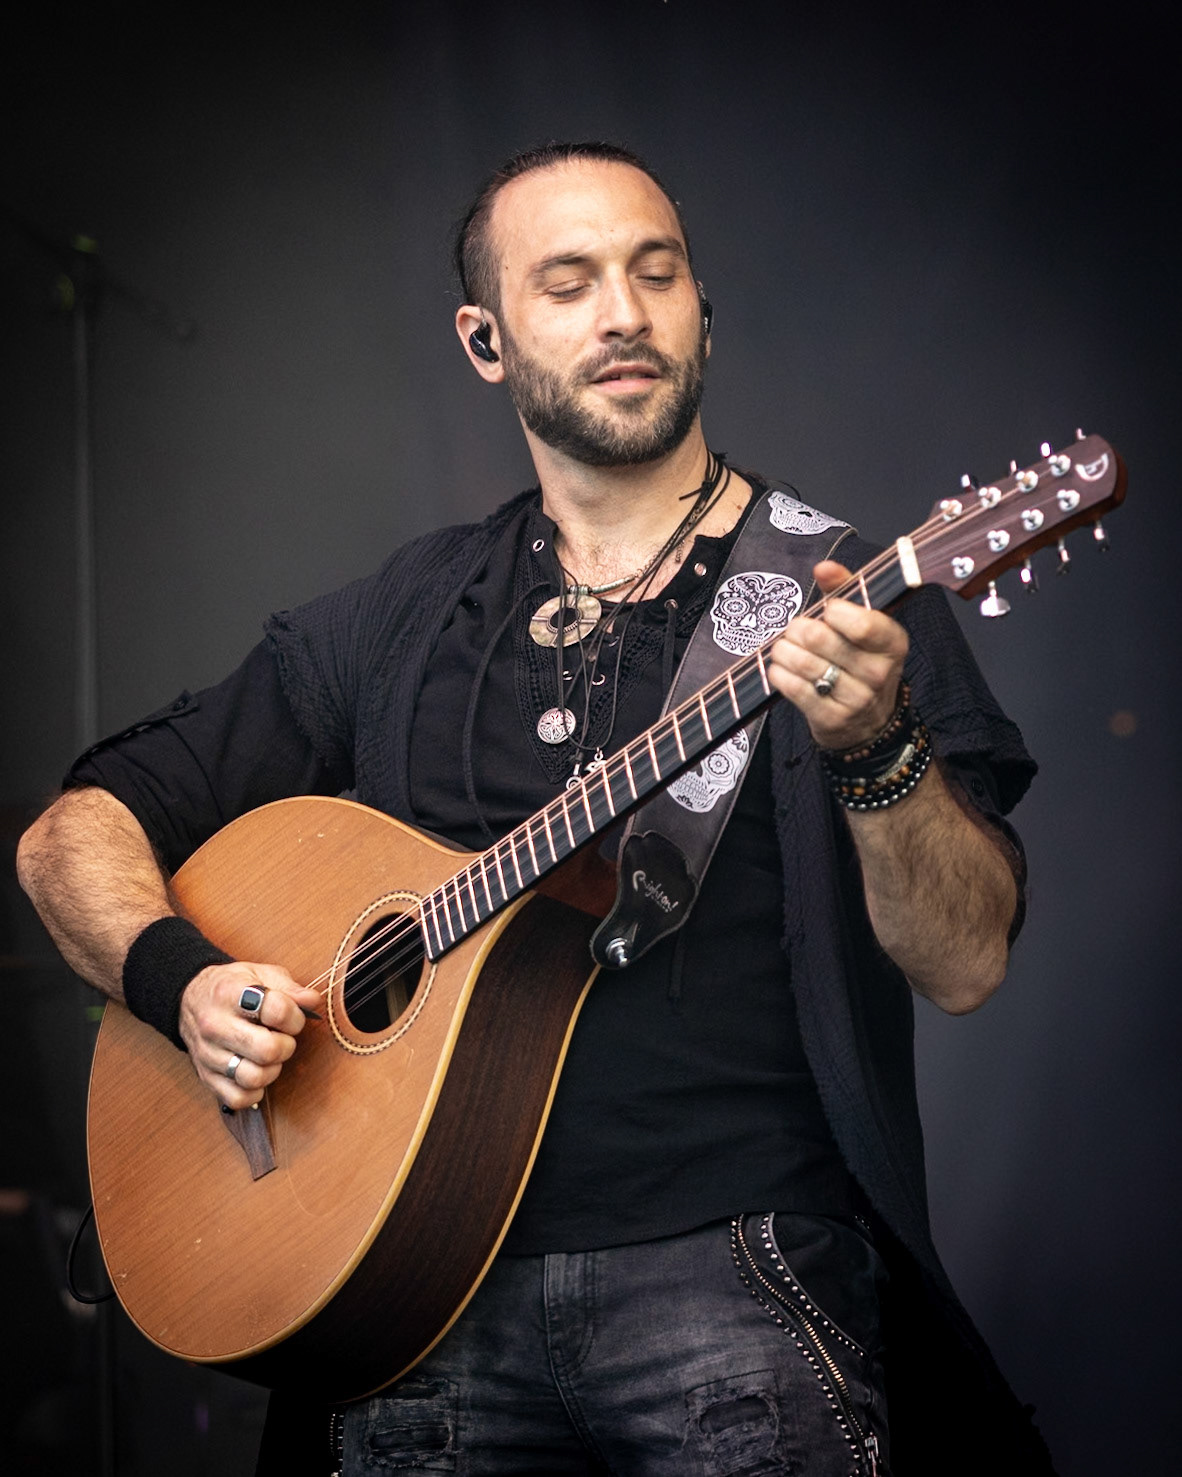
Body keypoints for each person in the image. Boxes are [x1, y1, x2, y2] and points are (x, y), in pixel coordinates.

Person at [17, 142, 1055, 1475]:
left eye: (655, 274)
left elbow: (965, 961)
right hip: (407, 1313)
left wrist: (876, 749)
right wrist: (178, 982)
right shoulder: (406, 614)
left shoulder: (843, 596)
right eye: (567, 285)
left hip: (732, 1288)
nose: (623, 313)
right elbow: (72, 832)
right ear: (485, 341)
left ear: (702, 315)